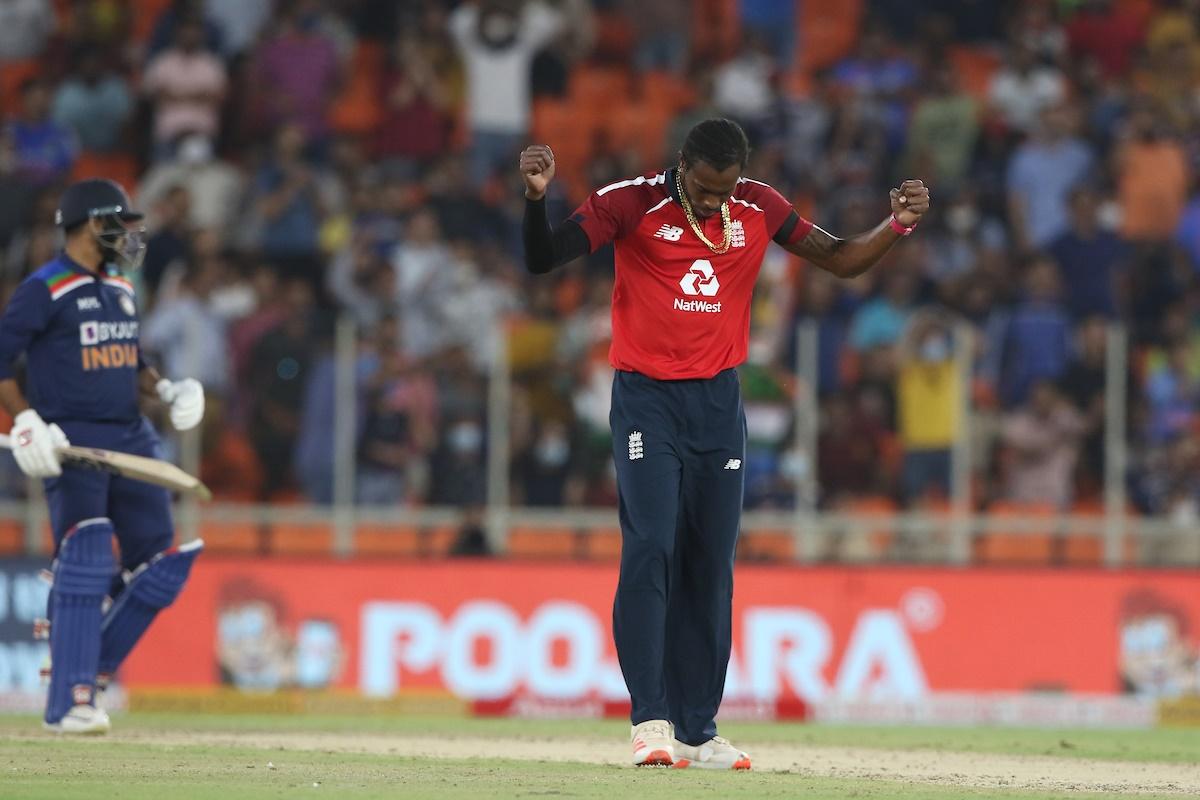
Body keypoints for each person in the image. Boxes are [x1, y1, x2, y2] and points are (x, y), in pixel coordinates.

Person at [520, 118, 929, 768]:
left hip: (717, 405)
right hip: (646, 400)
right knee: (652, 544)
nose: (714, 204)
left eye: (724, 191)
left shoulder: (759, 206)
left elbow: (841, 258)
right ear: (683, 166)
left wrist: (898, 225)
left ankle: (698, 730)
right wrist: (537, 198)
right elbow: (545, 258)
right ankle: (650, 721)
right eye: (705, 190)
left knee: (711, 566)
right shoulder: (631, 202)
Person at [0, 179, 206, 733]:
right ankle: (70, 701)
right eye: (119, 222)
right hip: (73, 439)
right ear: (91, 224)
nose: (129, 234)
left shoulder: (121, 285)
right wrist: (25, 420)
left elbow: (130, 359)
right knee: (87, 554)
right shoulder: (44, 288)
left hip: (132, 434)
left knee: (161, 566)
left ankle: (85, 667)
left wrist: (165, 390)